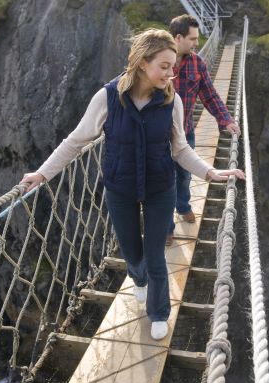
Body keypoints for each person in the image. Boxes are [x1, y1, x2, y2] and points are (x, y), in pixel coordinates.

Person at [19, 29, 245, 341]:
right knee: (132, 253)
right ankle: (137, 279)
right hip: (120, 189)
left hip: (160, 188)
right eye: (164, 66)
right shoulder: (108, 98)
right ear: (142, 63)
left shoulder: (172, 101)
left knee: (156, 255)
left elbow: (180, 149)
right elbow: (75, 142)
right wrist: (42, 175)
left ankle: (159, 312)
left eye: (173, 66)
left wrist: (211, 173)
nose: (171, 73)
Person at [166, 15, 241, 246]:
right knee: (163, 181)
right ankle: (166, 227)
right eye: (193, 38)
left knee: (185, 175)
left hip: (185, 131)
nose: (197, 43)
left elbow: (208, 94)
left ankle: (184, 205)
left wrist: (225, 119)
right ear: (178, 38)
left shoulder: (197, 63)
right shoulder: (157, 62)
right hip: (157, 137)